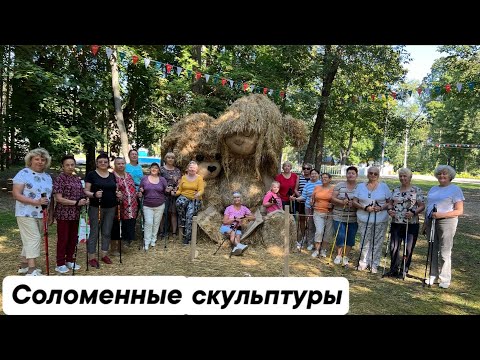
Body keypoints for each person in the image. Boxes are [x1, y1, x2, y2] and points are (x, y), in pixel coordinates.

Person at [12, 148, 53, 276]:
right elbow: (16, 194)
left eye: (43, 159)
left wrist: (51, 214)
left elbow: (49, 198)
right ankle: (31, 269)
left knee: (31, 239)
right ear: (30, 160)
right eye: (37, 159)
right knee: (33, 238)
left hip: (42, 214)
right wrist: (36, 202)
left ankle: (24, 265)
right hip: (25, 212)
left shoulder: (47, 177)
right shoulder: (23, 173)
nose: (40, 162)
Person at [423, 165, 464, 289]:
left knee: (445, 251)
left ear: (450, 176)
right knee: (432, 249)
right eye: (439, 174)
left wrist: (442, 214)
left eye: (444, 174)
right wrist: (425, 223)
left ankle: (445, 278)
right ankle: (432, 275)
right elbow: (428, 207)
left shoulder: (455, 189)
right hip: (431, 221)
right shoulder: (433, 188)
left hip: (447, 222)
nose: (442, 176)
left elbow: (459, 211)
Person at [384, 167, 425, 277]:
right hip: (396, 222)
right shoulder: (396, 190)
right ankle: (393, 269)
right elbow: (390, 204)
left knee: (408, 248)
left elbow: (422, 206)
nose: (402, 178)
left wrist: (413, 212)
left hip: (411, 223)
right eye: (400, 176)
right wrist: (390, 210)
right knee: (394, 247)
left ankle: (404, 270)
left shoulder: (416, 190)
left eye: (405, 176)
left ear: (410, 177)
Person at [52, 155, 88, 274]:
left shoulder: (76, 179)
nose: (70, 167)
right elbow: (59, 198)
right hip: (63, 213)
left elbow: (81, 194)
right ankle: (60, 262)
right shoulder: (60, 179)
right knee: (63, 238)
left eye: (72, 164)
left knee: (73, 238)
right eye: (67, 165)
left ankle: (70, 259)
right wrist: (76, 203)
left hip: (75, 214)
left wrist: (84, 199)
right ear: (63, 166)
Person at [352, 166, 391, 274]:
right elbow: (354, 201)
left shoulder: (384, 187)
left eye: (375, 174)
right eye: (371, 173)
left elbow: (390, 202)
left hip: (380, 218)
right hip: (364, 218)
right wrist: (364, 207)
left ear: (378, 175)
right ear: (367, 174)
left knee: (377, 241)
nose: (373, 175)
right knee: (365, 240)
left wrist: (381, 208)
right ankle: (363, 262)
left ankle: (374, 263)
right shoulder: (360, 186)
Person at [84, 153, 117, 268]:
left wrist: (118, 194)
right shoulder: (91, 175)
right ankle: (92, 257)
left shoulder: (112, 175)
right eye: (100, 162)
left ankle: (104, 254)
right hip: (96, 207)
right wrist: (93, 194)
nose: (103, 163)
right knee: (94, 231)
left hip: (111, 206)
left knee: (107, 231)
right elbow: (86, 191)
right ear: (97, 163)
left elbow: (114, 188)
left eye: (105, 162)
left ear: (108, 163)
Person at [330, 166, 358, 267]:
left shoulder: (359, 187)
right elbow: (332, 198)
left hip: (353, 217)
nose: (350, 175)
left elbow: (361, 200)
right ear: (346, 174)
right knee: (340, 236)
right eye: (349, 173)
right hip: (339, 215)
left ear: (356, 175)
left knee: (351, 237)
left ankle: (346, 256)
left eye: (353, 173)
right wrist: (342, 202)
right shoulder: (340, 185)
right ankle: (339, 255)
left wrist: (354, 203)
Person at [139, 162, 170, 250]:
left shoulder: (162, 179)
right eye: (152, 167)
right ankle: (146, 241)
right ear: (150, 169)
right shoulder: (144, 179)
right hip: (147, 204)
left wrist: (168, 190)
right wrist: (141, 191)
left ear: (159, 170)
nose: (154, 169)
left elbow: (166, 191)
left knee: (156, 223)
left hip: (160, 205)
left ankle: (153, 240)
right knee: (149, 223)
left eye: (156, 168)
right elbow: (141, 190)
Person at [111, 157, 140, 252]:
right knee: (118, 224)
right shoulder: (112, 176)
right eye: (118, 164)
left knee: (129, 223)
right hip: (120, 205)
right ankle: (116, 246)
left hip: (132, 204)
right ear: (115, 165)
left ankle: (125, 243)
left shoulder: (129, 175)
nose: (121, 165)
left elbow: (133, 187)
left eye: (123, 163)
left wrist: (138, 193)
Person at [176, 161, 204, 245]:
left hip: (194, 198)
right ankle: (182, 217)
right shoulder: (184, 178)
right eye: (191, 167)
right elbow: (180, 190)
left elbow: (201, 189)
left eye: (194, 168)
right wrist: (175, 193)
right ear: (187, 168)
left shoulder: (199, 178)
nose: (192, 169)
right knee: (178, 202)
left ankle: (187, 237)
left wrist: (198, 194)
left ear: (196, 169)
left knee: (190, 215)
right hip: (184, 196)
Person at [294, 169, 322, 251]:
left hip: (319, 208)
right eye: (312, 174)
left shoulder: (321, 183)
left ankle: (317, 243)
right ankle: (310, 243)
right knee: (310, 225)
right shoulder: (307, 184)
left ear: (318, 174)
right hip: (308, 207)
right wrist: (296, 199)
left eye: (315, 174)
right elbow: (304, 196)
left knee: (318, 226)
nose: (313, 175)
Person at [310, 172, 334, 258]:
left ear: (330, 179)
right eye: (322, 177)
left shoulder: (333, 189)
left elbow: (335, 199)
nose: (324, 179)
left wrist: (332, 204)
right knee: (319, 231)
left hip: (329, 213)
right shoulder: (317, 187)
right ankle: (317, 249)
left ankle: (323, 249)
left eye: (326, 178)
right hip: (318, 212)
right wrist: (312, 202)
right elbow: (312, 197)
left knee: (328, 233)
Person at [160, 152, 182, 238]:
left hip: (174, 194)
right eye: (168, 157)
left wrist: (176, 189)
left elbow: (180, 182)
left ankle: (173, 232)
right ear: (165, 159)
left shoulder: (177, 170)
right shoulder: (161, 169)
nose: (170, 159)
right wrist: (166, 189)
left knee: (173, 213)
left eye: (172, 158)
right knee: (163, 213)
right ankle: (162, 231)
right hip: (164, 194)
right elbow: (158, 181)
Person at [296, 163, 312, 241]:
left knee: (309, 220)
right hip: (301, 201)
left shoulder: (313, 178)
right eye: (304, 168)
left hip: (310, 202)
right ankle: (303, 236)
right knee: (302, 219)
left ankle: (309, 236)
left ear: (311, 169)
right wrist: (299, 195)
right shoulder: (299, 177)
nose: (306, 170)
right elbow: (296, 189)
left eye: (308, 168)